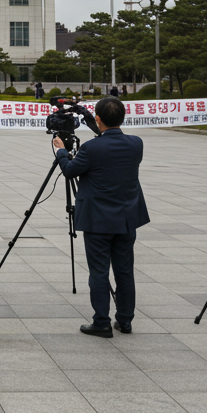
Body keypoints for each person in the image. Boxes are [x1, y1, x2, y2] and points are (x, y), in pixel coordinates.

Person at [52, 96, 149, 337]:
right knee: (124, 271)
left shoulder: (91, 148)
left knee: (99, 272)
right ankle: (125, 320)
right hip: (126, 218)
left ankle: (101, 322)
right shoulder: (136, 143)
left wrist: (61, 151)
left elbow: (70, 171)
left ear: (97, 119)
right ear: (123, 118)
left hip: (98, 220)